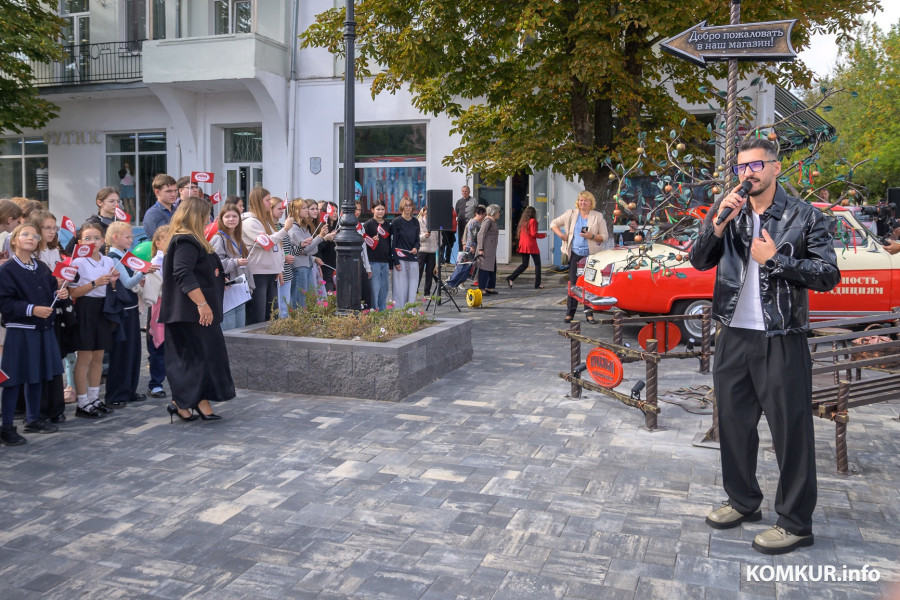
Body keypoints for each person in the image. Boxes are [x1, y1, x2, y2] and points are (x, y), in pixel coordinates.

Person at [690, 138, 840, 555]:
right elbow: (698, 260)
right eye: (741, 167)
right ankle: (742, 501)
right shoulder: (730, 214)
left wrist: (775, 259)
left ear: (776, 168)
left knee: (791, 432)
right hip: (733, 335)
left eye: (756, 165)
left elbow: (828, 274)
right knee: (734, 425)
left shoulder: (805, 216)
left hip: (781, 336)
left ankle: (795, 523)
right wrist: (717, 223)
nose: (747, 174)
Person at [159, 196, 235, 422]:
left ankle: (193, 401)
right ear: (196, 216)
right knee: (194, 359)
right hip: (191, 313)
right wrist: (202, 304)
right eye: (206, 215)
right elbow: (183, 273)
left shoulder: (193, 240)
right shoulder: (185, 241)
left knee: (203, 358)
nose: (209, 219)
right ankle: (184, 402)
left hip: (196, 312)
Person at [0, 223, 67, 444]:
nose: (31, 238)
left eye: (34, 235)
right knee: (13, 378)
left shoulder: (41, 267)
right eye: (25, 234)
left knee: (36, 374)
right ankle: (6, 426)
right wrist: (32, 309)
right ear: (14, 240)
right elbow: (5, 303)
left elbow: (50, 293)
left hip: (42, 328)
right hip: (20, 330)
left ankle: (33, 418)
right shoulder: (7, 270)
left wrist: (59, 294)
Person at [68, 222, 120, 418]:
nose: (93, 242)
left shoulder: (107, 260)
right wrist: (94, 283)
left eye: (97, 238)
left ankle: (94, 398)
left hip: (103, 307)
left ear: (103, 240)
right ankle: (82, 402)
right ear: (80, 242)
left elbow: (112, 289)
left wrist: (113, 283)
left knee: (99, 355)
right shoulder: (77, 262)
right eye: (87, 238)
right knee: (85, 356)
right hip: (85, 308)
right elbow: (73, 292)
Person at [105, 221, 158, 407]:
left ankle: (129, 390)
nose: (131, 240)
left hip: (131, 308)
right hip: (122, 311)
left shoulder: (124, 255)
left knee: (133, 352)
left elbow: (130, 282)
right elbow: (127, 283)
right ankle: (116, 394)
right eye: (127, 237)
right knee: (121, 353)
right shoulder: (114, 257)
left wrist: (139, 278)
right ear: (115, 237)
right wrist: (143, 272)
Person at [31, 210, 74, 418]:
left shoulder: (54, 251)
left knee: (55, 359)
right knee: (40, 361)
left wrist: (63, 289)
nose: (51, 232)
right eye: (46, 228)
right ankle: (40, 408)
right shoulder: (32, 254)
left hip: (55, 311)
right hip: (37, 312)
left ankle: (56, 407)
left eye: (54, 228)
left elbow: (60, 279)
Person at [550, 190, 609, 324]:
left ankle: (589, 314)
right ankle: (570, 314)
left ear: (591, 203)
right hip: (575, 255)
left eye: (586, 200)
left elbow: (605, 236)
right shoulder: (570, 214)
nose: (583, 202)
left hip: (591, 256)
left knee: (589, 284)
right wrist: (561, 235)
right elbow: (553, 223)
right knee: (573, 284)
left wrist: (591, 236)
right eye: (581, 200)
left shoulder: (597, 216)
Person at [241, 187, 294, 324]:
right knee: (258, 314)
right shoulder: (250, 222)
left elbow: (279, 246)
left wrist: (279, 268)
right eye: (267, 200)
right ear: (258, 201)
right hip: (258, 273)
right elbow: (267, 243)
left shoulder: (266, 221)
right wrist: (285, 229)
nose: (270, 203)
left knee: (272, 314)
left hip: (271, 271)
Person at [211, 203, 254, 329]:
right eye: (227, 216)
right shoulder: (218, 238)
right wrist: (236, 262)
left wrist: (249, 285)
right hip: (227, 288)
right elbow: (215, 264)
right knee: (228, 327)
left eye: (234, 216)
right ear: (221, 219)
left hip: (240, 288)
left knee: (239, 327)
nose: (231, 219)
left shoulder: (238, 238)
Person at [143, 225, 170, 397]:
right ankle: (155, 384)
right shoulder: (156, 262)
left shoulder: (175, 258)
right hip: (159, 307)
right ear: (158, 243)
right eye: (167, 239)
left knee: (172, 346)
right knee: (158, 345)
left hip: (173, 306)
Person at [287, 199, 326, 308]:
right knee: (299, 298)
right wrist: (320, 237)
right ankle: (298, 317)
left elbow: (313, 249)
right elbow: (305, 249)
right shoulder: (293, 228)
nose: (307, 211)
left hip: (307, 264)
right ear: (296, 210)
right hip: (298, 266)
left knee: (308, 297)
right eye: (304, 208)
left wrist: (309, 247)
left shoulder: (303, 227)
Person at [64, 187, 120, 255]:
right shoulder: (91, 224)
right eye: (111, 201)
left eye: (118, 201)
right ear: (99, 202)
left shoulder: (118, 224)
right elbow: (69, 251)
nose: (116, 204)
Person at [390, 197, 420, 306]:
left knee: (412, 287)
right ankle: (399, 311)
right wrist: (396, 261)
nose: (408, 208)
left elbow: (417, 240)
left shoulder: (415, 222)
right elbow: (392, 243)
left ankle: (410, 310)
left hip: (412, 258)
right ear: (402, 207)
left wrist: (416, 248)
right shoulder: (396, 222)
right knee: (400, 288)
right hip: (400, 259)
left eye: (409, 205)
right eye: (406, 205)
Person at [507, 206, 546, 289]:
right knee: (537, 265)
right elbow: (533, 234)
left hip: (523, 245)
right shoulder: (533, 221)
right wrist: (543, 235)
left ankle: (511, 277)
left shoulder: (523, 222)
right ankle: (538, 283)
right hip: (531, 245)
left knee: (524, 264)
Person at [364, 199, 392, 310]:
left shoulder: (387, 225)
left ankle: (382, 311)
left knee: (384, 289)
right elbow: (364, 244)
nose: (380, 211)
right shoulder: (368, 225)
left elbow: (389, 243)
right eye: (378, 209)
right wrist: (371, 240)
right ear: (372, 210)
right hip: (373, 261)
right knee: (374, 289)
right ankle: (374, 311)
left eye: (382, 209)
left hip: (385, 261)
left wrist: (390, 262)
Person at [143, 174, 178, 240]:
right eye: (168, 191)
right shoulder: (152, 214)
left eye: (175, 191)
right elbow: (160, 239)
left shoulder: (177, 210)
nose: (173, 194)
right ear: (157, 192)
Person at [475, 204, 501, 294]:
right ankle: (482, 289)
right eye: (498, 212)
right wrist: (480, 249)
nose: (499, 213)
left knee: (492, 268)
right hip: (485, 249)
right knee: (484, 268)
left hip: (491, 250)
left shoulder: (493, 221)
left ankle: (490, 287)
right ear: (494, 212)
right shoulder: (487, 221)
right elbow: (481, 234)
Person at [416, 205, 438, 296]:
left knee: (430, 272)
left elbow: (439, 236)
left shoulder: (435, 222)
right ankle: (415, 290)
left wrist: (439, 244)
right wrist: (424, 236)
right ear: (423, 213)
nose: (428, 215)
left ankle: (427, 292)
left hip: (432, 250)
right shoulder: (418, 222)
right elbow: (415, 237)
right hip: (422, 250)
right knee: (419, 271)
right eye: (426, 213)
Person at [454, 185, 476, 252]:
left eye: (465, 191)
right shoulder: (459, 202)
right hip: (461, 225)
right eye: (463, 191)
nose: (464, 192)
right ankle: (461, 254)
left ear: (469, 192)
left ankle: (470, 254)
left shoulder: (474, 201)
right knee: (461, 240)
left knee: (470, 240)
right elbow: (456, 212)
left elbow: (476, 213)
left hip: (470, 225)